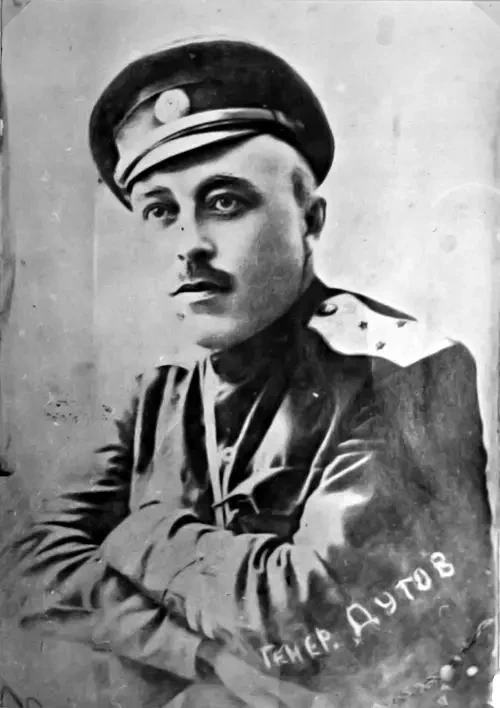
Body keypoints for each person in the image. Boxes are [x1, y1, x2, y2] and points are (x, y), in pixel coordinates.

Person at [16, 36, 495, 708]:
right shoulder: (155, 395)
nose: (189, 245)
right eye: (160, 211)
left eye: (224, 202)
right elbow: (28, 564)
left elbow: (313, 610)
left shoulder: (402, 369)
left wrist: (137, 532)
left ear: (310, 220)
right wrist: (205, 658)